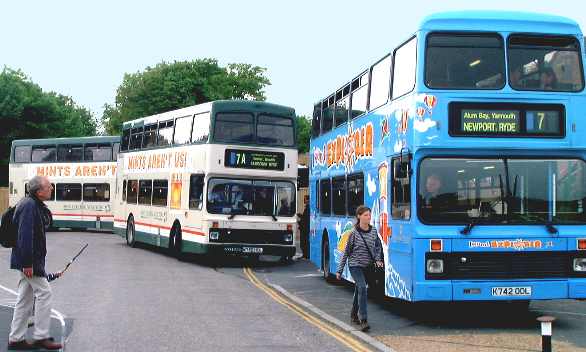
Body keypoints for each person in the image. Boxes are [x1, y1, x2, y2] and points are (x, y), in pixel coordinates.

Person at [8, 176, 63, 350]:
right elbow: (25, 236)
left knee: (25, 299)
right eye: (49, 186)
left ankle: (16, 339)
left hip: (29, 261)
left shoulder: (31, 204)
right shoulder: (29, 206)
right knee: (45, 293)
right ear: (39, 191)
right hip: (29, 261)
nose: (52, 188)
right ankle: (41, 336)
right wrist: (27, 264)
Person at [335, 206, 383, 332]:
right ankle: (364, 320)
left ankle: (353, 314)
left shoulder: (373, 231)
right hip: (355, 265)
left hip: (367, 266)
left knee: (359, 289)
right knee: (362, 287)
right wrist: (339, 270)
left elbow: (378, 247)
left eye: (369, 215)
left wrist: (378, 260)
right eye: (366, 215)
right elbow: (346, 252)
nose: (369, 217)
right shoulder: (354, 233)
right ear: (359, 216)